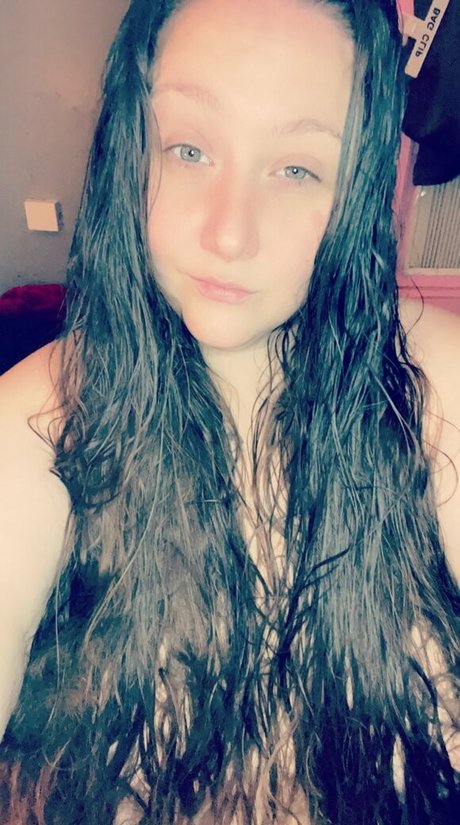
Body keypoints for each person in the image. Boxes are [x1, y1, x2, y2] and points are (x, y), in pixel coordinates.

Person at [0, 0, 458, 822]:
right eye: (190, 149)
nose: (230, 234)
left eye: (296, 169)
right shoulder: (34, 422)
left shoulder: (439, 383)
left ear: (354, 188)